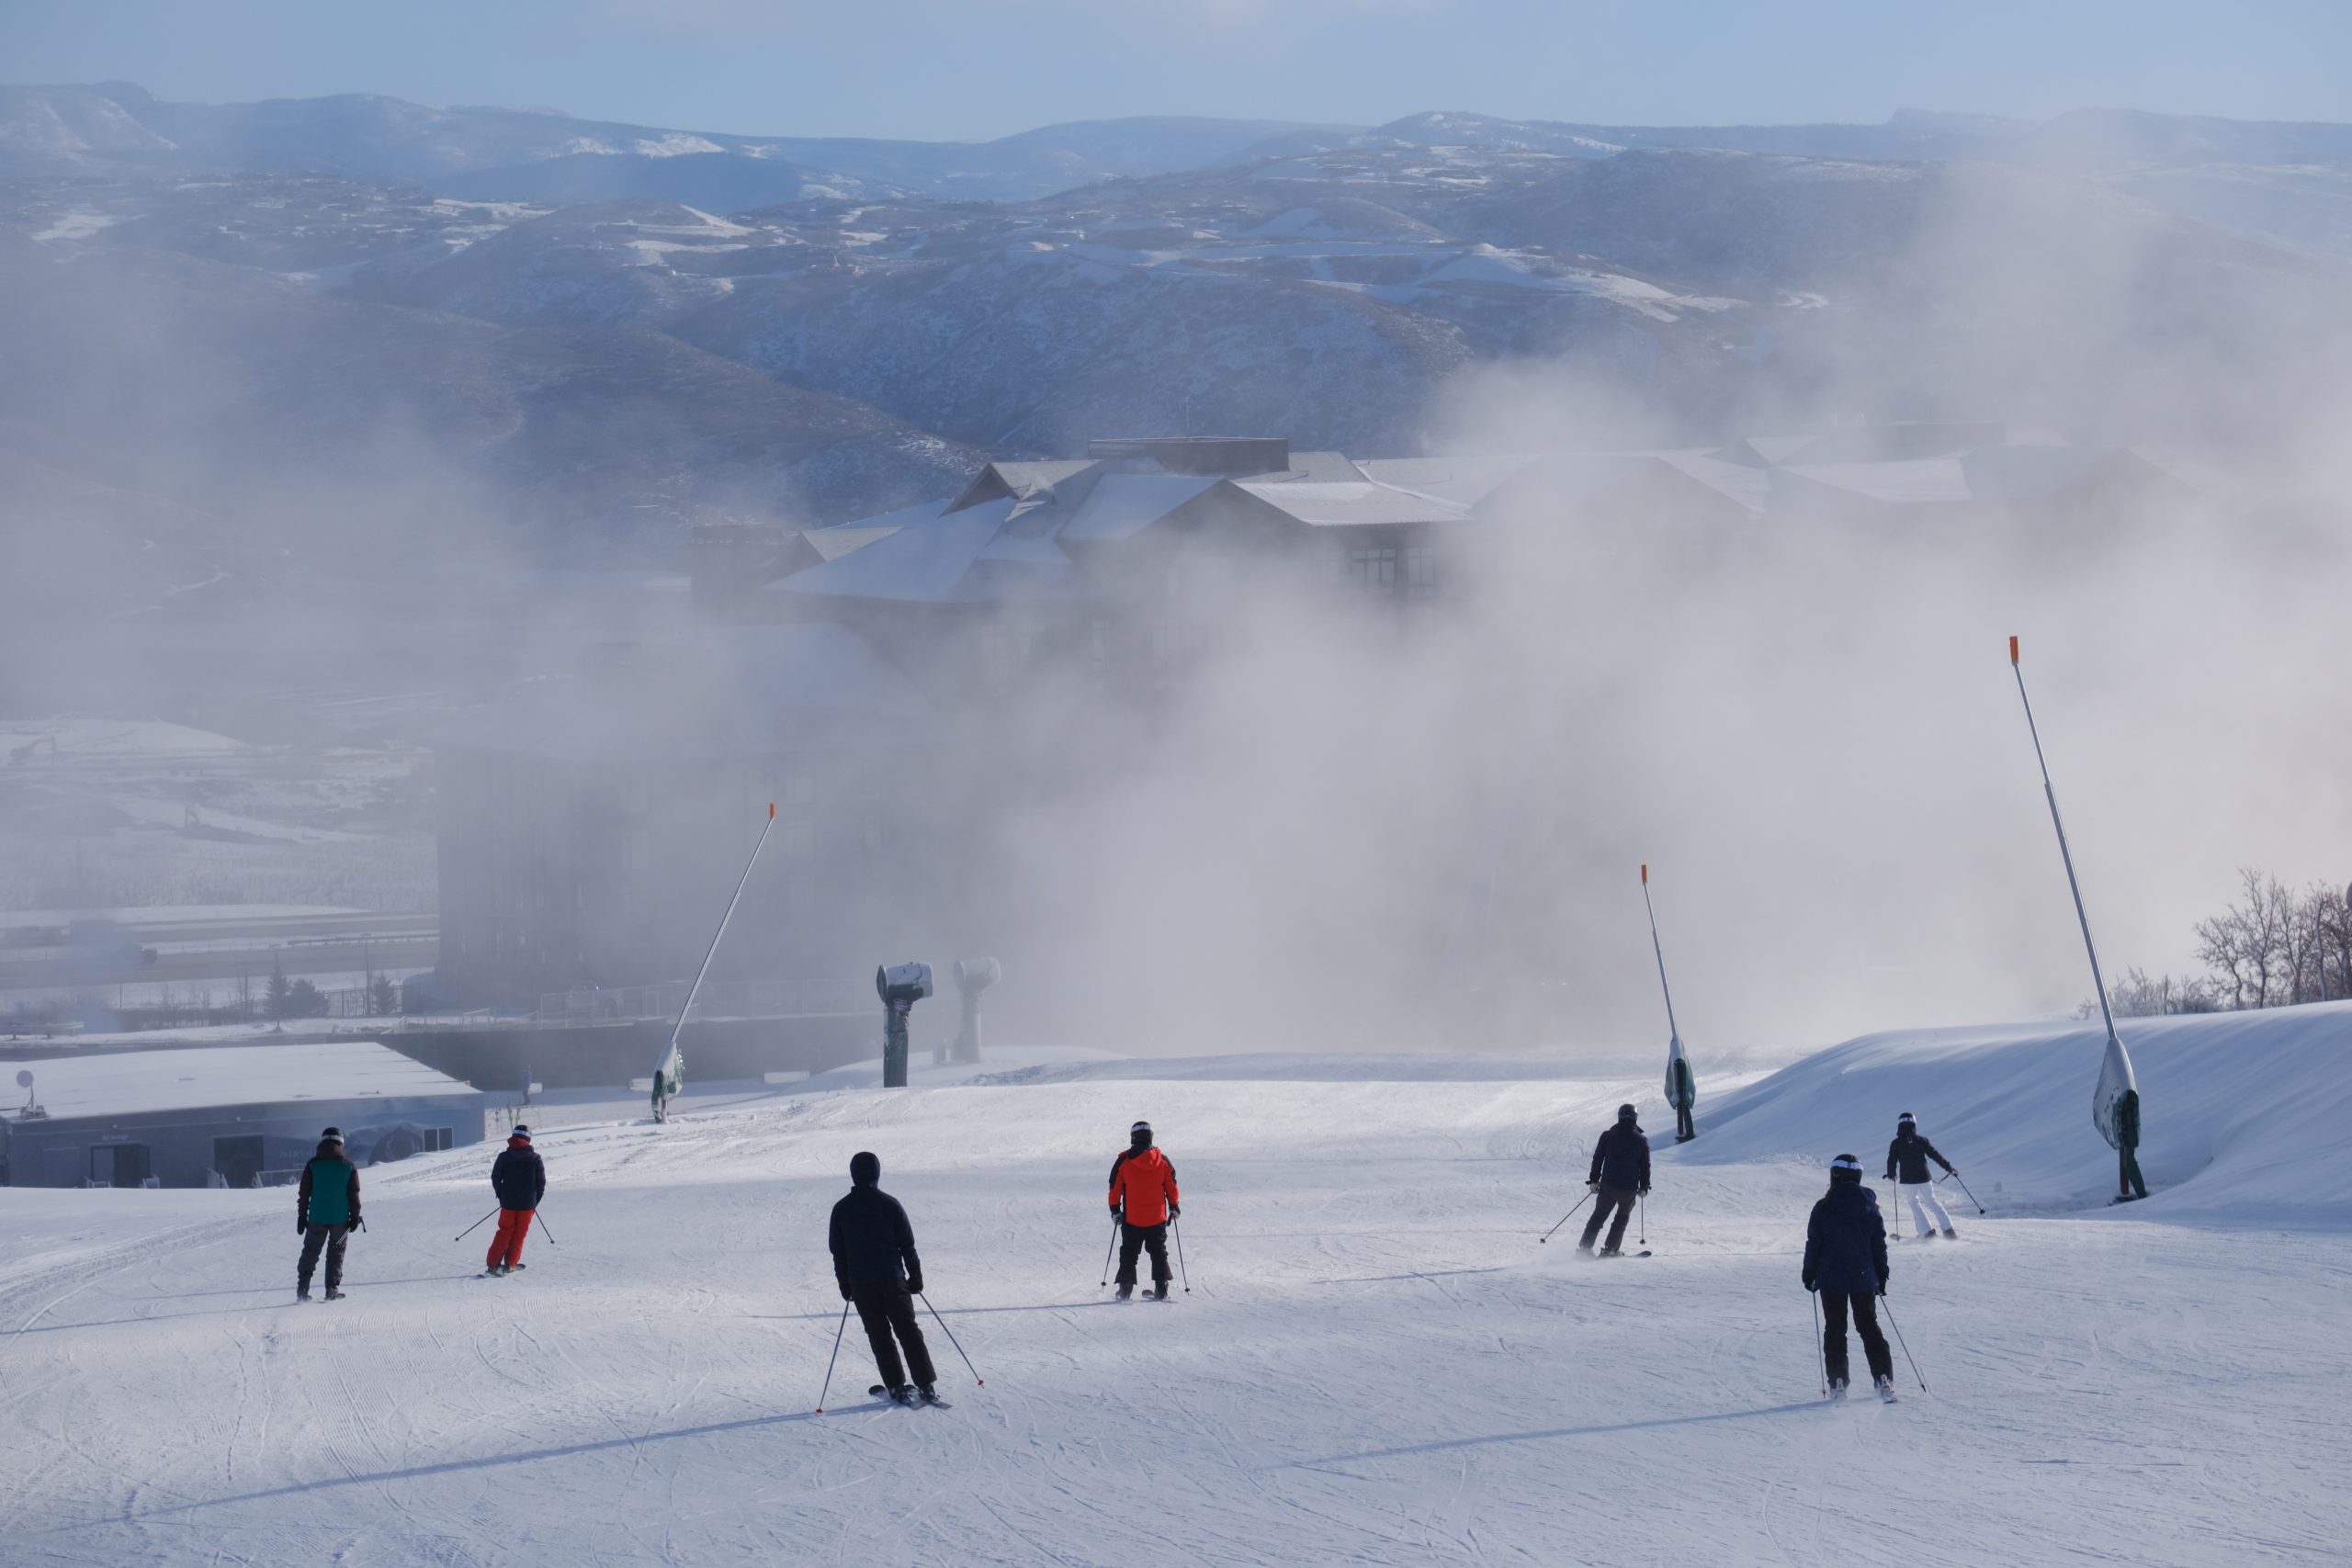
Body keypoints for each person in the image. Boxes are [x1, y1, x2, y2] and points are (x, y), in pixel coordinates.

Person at [829, 1151, 939, 1405]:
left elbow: (838, 1252)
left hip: (861, 1283)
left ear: (854, 1175)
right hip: (893, 1279)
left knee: (879, 1335)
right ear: (877, 1174)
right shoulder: (890, 1204)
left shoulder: (842, 1209)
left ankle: (896, 1386)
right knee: (908, 1332)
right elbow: (907, 1245)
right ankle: (926, 1385)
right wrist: (916, 1276)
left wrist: (844, 1283)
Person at [1804, 1153, 1894, 1400]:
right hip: (1863, 1278)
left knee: (1835, 1329)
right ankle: (1883, 1378)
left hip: (1830, 1279)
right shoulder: (1870, 1207)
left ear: (1834, 1176)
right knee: (1868, 1327)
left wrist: (1809, 1272)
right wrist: (1881, 1274)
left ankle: (1838, 1383)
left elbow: (1814, 1242)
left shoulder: (1823, 1207)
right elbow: (1879, 1244)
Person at [1107, 1120, 1180, 1300]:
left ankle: (1125, 1291)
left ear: (1133, 1138)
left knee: (1129, 1253)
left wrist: (1115, 1210)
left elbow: (1114, 1188)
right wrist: (1174, 1206)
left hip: (1133, 1219)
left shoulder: (1124, 1161)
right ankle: (1161, 1289)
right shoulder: (1162, 1161)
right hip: (1157, 1218)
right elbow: (1171, 1185)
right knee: (1158, 1252)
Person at [296, 1127, 360, 1302]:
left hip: (316, 1218)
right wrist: (354, 1217)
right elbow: (354, 1196)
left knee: (310, 1251)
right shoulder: (348, 1166)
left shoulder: (312, 1164)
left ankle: (302, 1291)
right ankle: (331, 1290)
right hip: (341, 1221)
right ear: (341, 1143)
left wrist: (302, 1217)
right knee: (336, 1252)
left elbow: (304, 1193)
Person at [1577, 1104, 1650, 1257]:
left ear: (1619, 1116)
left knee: (1598, 1217)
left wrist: (1594, 1180)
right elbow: (1645, 1166)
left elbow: (1598, 1158)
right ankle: (1610, 1250)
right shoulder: (1641, 1140)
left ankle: (1584, 1249)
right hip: (1628, 1189)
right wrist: (1644, 1186)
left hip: (1608, 1186)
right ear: (1635, 1118)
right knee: (1621, 1219)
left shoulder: (1608, 1136)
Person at [483, 1123, 546, 1276]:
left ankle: (492, 1265)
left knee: (504, 1231)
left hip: (508, 1204)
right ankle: (510, 1264)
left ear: (513, 1136)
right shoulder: (535, 1158)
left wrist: (501, 1196)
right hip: (527, 1205)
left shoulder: (504, 1157)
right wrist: (534, 1203)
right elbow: (541, 1184)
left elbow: (496, 1178)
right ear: (528, 1138)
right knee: (520, 1233)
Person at [1883, 1111, 1958, 1238]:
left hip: (1908, 1180)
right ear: (1914, 1124)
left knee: (1914, 1204)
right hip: (1924, 1177)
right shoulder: (1922, 1140)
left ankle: (1927, 1233)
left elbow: (1891, 1161)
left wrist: (1892, 1175)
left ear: (1899, 1126)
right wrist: (1949, 1168)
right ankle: (1948, 1231)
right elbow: (1935, 1156)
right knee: (1932, 1202)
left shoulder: (1896, 1143)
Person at [2116, 1088, 2148, 1201]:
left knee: (2129, 1163)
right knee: (2128, 1163)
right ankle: (2141, 1193)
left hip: (2129, 1137)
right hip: (2128, 1136)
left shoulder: (2129, 1097)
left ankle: (2141, 1193)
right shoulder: (2127, 1096)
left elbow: (2130, 1121)